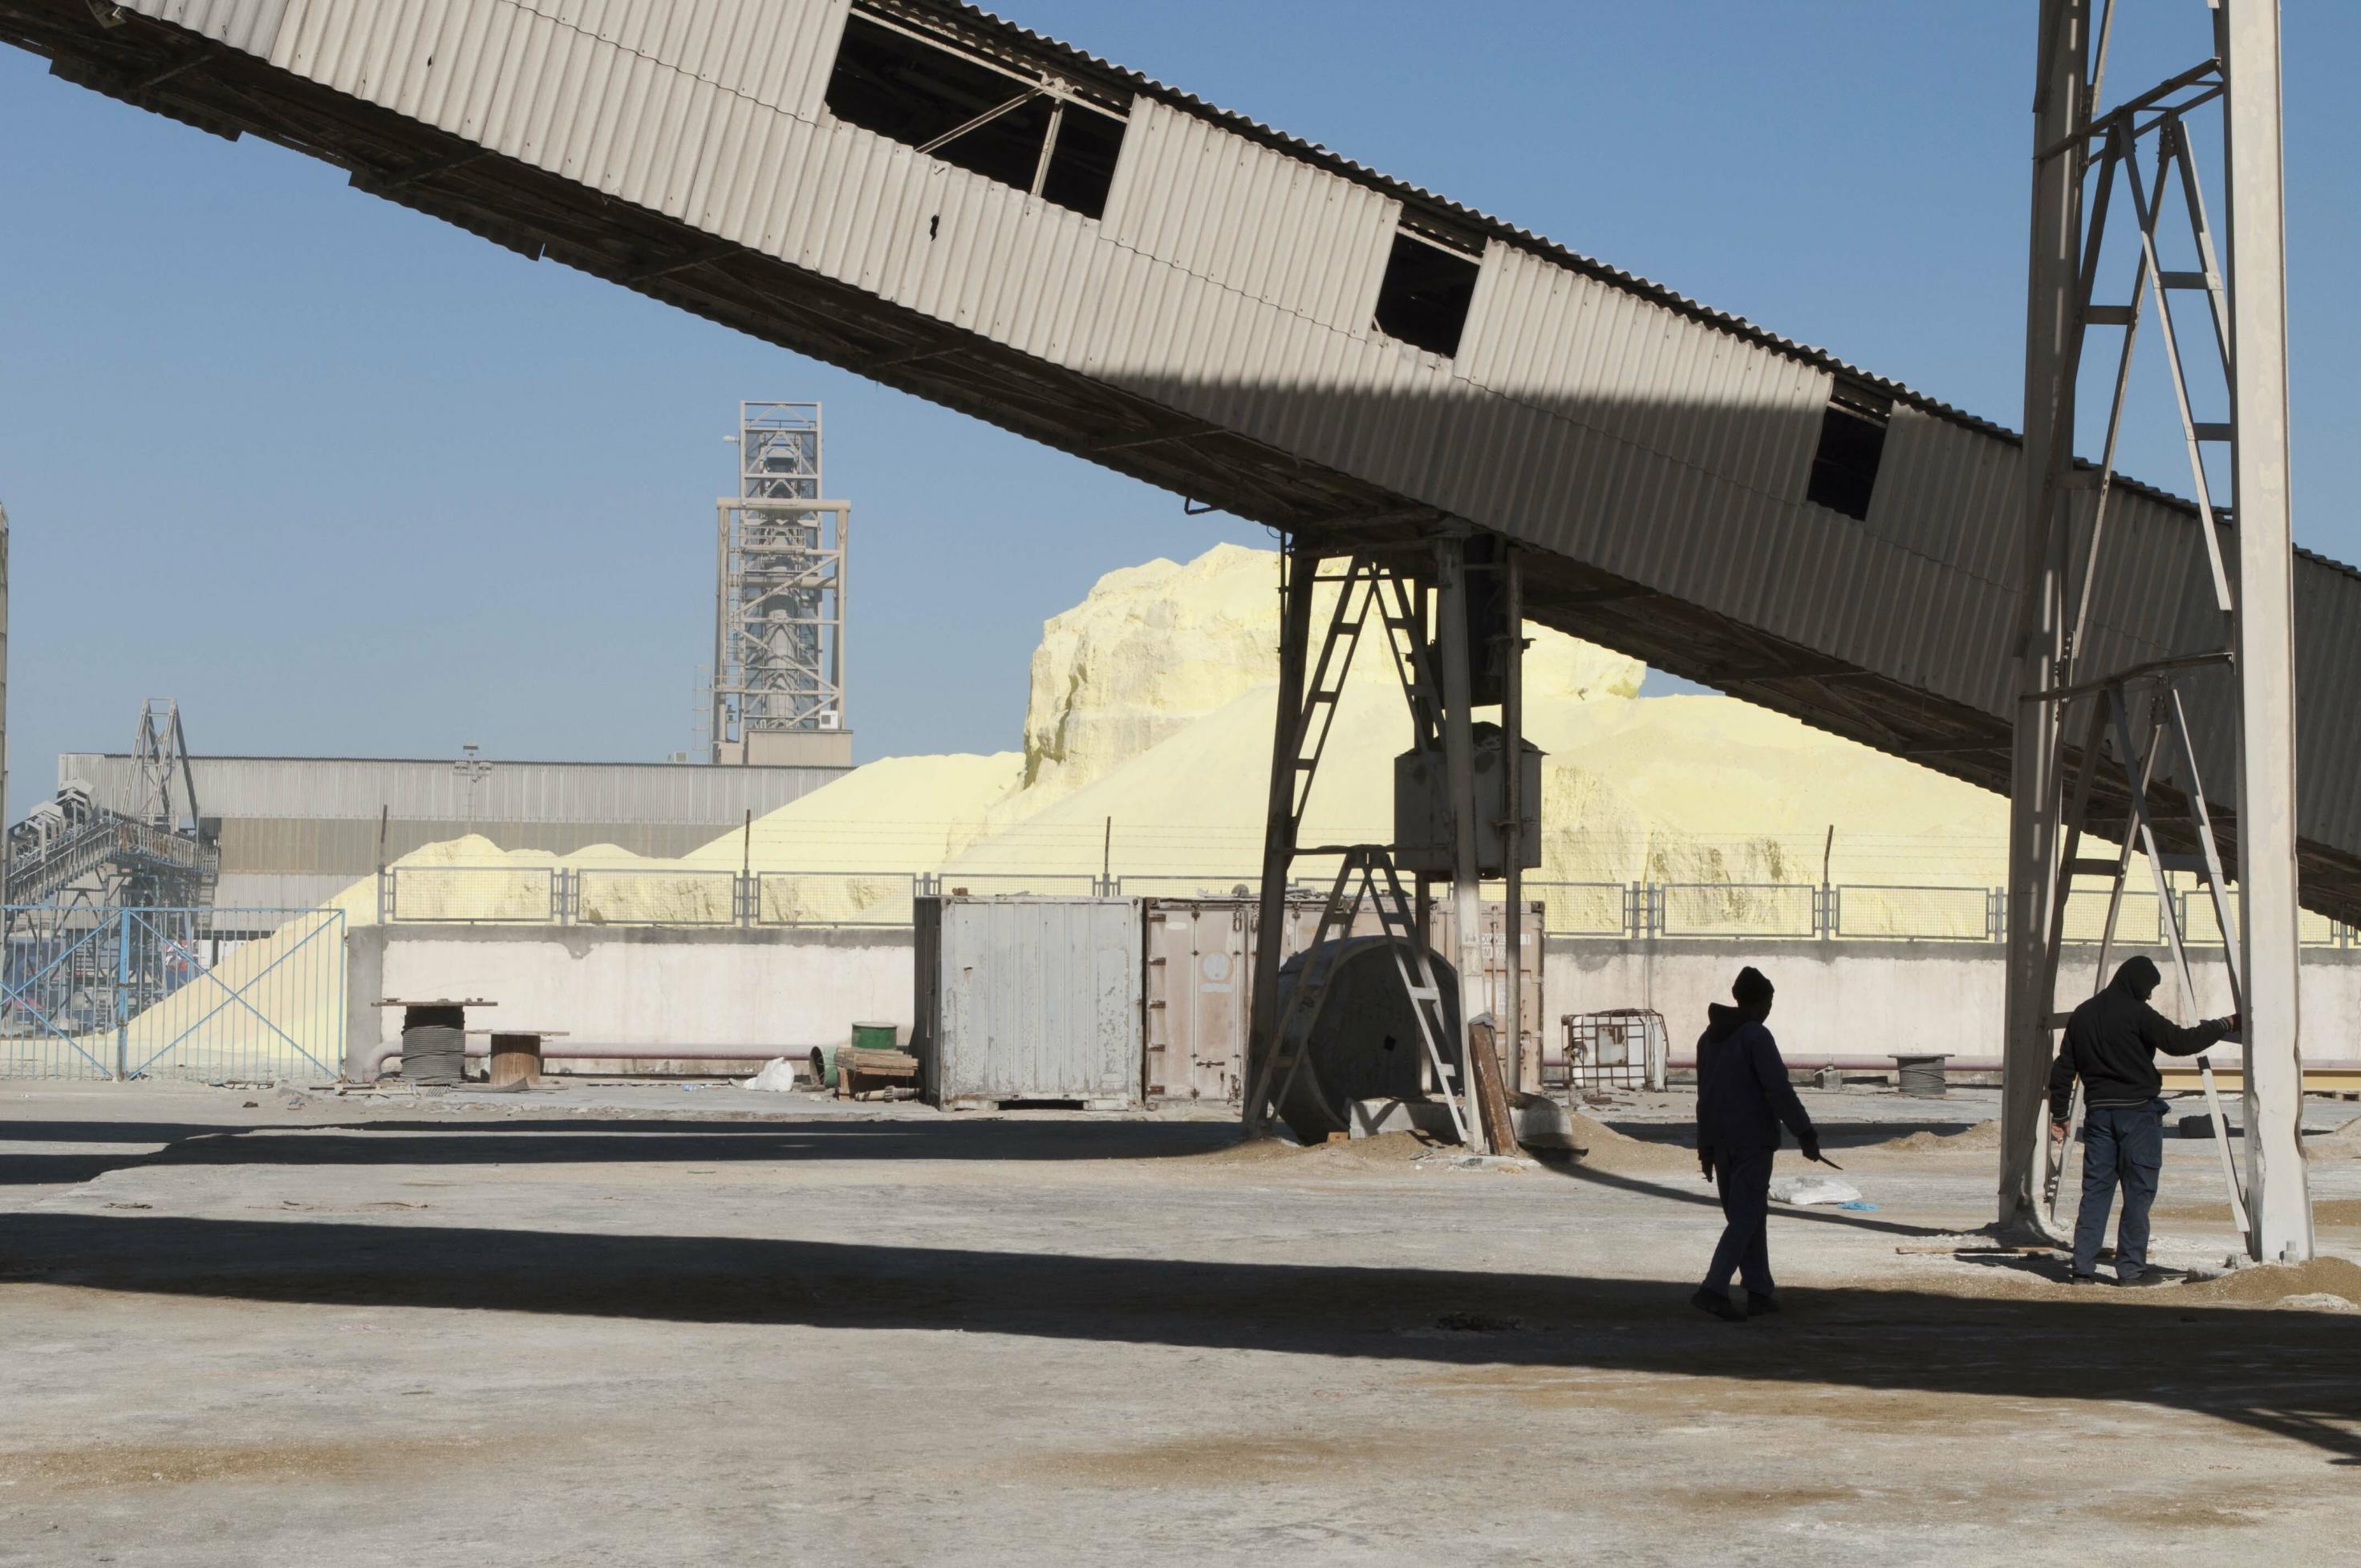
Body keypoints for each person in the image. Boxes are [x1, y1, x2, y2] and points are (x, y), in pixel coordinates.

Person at [2049, 955, 2237, 1286]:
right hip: (2137, 1115)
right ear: (2136, 983)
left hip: (2099, 1116)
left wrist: (2061, 1115)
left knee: (2095, 1193)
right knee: (2138, 1193)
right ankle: (2131, 1271)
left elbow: (2064, 1068)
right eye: (2149, 988)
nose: (2150, 995)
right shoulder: (2138, 1013)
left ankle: (2082, 1270)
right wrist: (2224, 1024)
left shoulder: (2084, 1013)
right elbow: (2180, 1042)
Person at [1692, 966, 1823, 1322]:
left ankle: (1759, 1290)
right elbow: (1778, 1089)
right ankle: (1713, 1288)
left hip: (1720, 1142)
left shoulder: (1708, 1039)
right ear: (1759, 1001)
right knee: (1747, 1217)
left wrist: (1705, 1147)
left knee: (1748, 1217)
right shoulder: (1756, 1037)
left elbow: (1705, 1098)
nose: (1769, 1009)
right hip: (1752, 1141)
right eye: (1768, 1001)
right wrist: (1805, 1132)